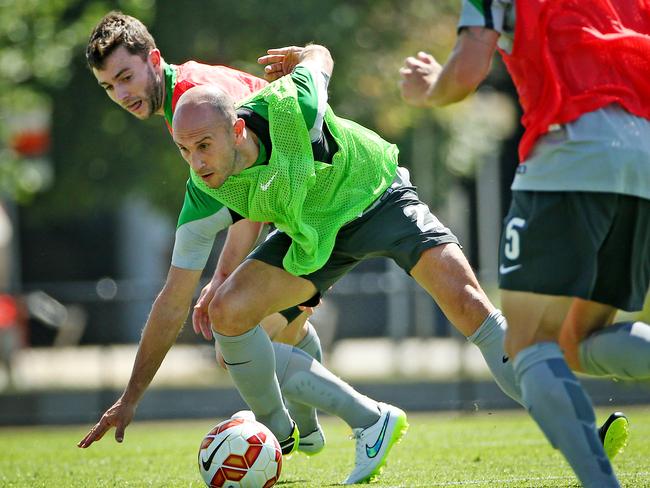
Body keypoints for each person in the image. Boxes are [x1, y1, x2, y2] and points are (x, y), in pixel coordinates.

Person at [164, 41, 530, 481]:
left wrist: (303, 57)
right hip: (316, 234)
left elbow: (322, 56)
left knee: (472, 306)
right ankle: (291, 432)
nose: (196, 161)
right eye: (185, 150)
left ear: (237, 130)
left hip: (378, 195)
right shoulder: (205, 183)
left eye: (203, 144)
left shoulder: (292, 102)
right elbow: (179, 288)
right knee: (228, 316)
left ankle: (564, 412)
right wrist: (130, 398)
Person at [399, 1, 650, 486]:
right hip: (642, 157)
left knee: (528, 344)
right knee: (577, 343)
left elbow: (469, 68)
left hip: (571, 148)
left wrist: (429, 89)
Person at [81, 11, 335, 458]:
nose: (120, 94)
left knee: (235, 335)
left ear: (153, 60)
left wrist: (221, 276)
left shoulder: (194, 94)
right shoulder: (181, 104)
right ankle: (312, 431)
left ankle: (364, 420)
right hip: (298, 208)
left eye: (125, 76)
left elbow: (255, 183)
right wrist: (130, 398)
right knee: (255, 331)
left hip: (323, 199)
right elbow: (175, 296)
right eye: (108, 87)